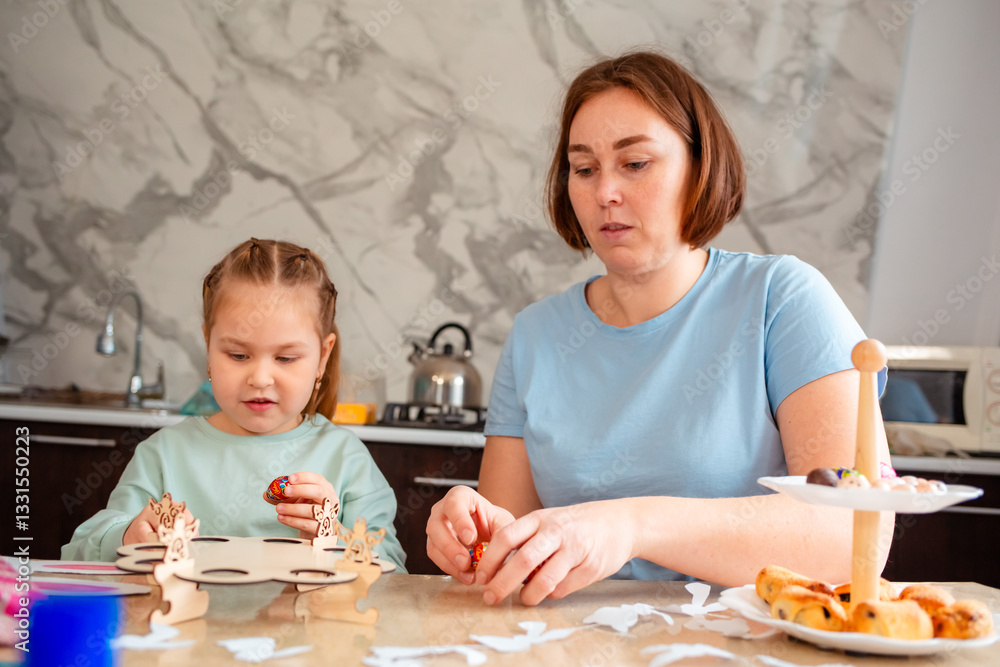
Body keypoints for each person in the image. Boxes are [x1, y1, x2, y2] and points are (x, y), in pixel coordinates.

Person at [425, 51, 892, 605]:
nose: (605, 193)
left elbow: (853, 534)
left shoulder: (783, 300)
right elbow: (511, 556)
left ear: (700, 168)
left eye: (635, 163)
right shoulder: (535, 336)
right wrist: (474, 532)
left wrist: (631, 526)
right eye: (584, 168)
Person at [63, 239, 406, 570]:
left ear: (322, 357)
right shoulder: (164, 454)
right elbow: (77, 553)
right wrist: (127, 535)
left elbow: (393, 572)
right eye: (238, 355)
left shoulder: (348, 459)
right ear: (208, 346)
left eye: (286, 358)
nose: (259, 378)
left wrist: (336, 540)